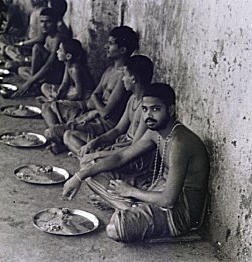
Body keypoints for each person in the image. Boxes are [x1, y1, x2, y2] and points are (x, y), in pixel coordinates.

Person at [62, 83, 210, 242]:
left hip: (179, 213)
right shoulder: (156, 132)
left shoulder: (180, 143)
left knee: (114, 228)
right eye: (145, 109)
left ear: (171, 110)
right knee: (92, 173)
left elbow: (168, 200)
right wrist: (78, 176)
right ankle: (131, 208)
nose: (149, 115)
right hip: (156, 191)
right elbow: (122, 157)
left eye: (155, 109)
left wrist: (130, 191)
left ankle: (126, 207)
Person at [42, 26, 138, 154]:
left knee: (52, 132)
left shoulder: (123, 77)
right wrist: (94, 103)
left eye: (110, 44)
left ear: (122, 50)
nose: (106, 47)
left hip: (103, 125)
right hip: (91, 113)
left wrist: (94, 102)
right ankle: (62, 141)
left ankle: (63, 140)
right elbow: (93, 97)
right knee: (47, 108)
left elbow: (105, 113)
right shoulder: (109, 70)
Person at [65, 55, 153, 157]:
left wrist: (101, 154)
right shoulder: (133, 99)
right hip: (118, 145)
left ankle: (89, 160)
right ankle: (88, 159)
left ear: (133, 79)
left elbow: (134, 149)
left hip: (127, 154)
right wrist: (95, 142)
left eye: (125, 75)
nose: (123, 79)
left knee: (91, 162)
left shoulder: (146, 108)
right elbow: (118, 130)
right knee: (69, 135)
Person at [12, 7, 66, 97]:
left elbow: (49, 65)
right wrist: (21, 44)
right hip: (44, 74)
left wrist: (29, 82)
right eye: (41, 22)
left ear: (55, 22)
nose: (44, 25)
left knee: (36, 48)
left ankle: (34, 84)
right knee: (21, 70)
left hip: (54, 75)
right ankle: (35, 83)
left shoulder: (58, 38)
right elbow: (39, 41)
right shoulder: (47, 35)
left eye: (48, 22)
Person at [38, 38, 95, 103]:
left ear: (68, 56)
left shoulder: (75, 70)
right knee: (44, 86)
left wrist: (61, 98)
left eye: (60, 50)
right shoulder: (68, 64)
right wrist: (58, 94)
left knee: (64, 95)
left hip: (84, 94)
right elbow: (65, 83)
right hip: (72, 90)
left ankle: (53, 101)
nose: (57, 51)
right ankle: (53, 100)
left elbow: (79, 94)